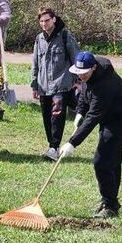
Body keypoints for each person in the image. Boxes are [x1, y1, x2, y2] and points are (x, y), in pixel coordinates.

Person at [58, 51, 122, 219]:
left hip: (120, 120)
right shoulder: (89, 75)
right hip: (108, 117)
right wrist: (80, 111)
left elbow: (93, 116)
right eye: (79, 73)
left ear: (93, 68)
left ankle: (110, 205)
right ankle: (110, 202)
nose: (81, 76)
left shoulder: (105, 84)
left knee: (102, 162)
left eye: (84, 73)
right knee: (111, 161)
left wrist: (72, 142)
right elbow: (85, 93)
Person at [30, 8, 80, 161]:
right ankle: (51, 145)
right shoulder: (39, 39)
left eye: (47, 20)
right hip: (43, 85)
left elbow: (76, 59)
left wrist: (78, 81)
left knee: (57, 115)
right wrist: (34, 84)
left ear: (54, 19)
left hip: (61, 83)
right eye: (41, 21)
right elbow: (35, 62)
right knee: (46, 116)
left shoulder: (65, 36)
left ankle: (54, 147)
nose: (44, 24)